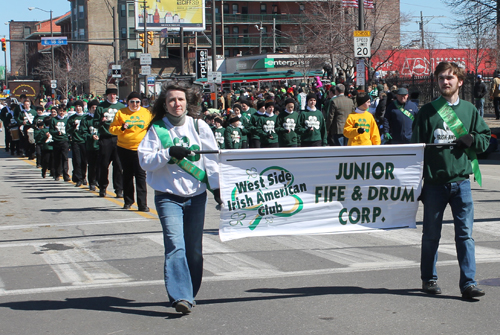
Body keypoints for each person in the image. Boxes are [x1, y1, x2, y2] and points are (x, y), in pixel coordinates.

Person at [138, 82, 222, 315]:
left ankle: (189, 292)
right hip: (168, 197)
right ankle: (180, 296)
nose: (177, 104)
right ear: (164, 104)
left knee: (194, 248)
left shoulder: (199, 125)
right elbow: (145, 161)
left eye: (181, 99)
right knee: (175, 245)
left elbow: (212, 160)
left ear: (188, 103)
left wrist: (216, 188)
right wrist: (167, 153)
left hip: (196, 196)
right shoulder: (156, 129)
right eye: (172, 100)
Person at [411, 62, 490, 299]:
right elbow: (415, 151)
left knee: (465, 235)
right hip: (435, 185)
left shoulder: (470, 110)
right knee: (431, 235)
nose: (445, 82)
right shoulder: (427, 112)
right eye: (441, 78)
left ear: (460, 81)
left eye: (450, 78)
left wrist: (472, 139)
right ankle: (429, 279)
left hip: (462, 184)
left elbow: (486, 140)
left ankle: (468, 283)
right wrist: (417, 185)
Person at [110, 92, 152, 211]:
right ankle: (128, 201)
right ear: (128, 102)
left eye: (137, 102)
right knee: (127, 175)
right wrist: (122, 128)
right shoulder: (121, 113)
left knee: (141, 176)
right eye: (132, 102)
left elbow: (152, 127)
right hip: (124, 148)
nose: (135, 104)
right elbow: (112, 129)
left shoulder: (146, 113)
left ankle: (142, 204)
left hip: (140, 148)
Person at [94, 84, 125, 198]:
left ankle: (119, 189)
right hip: (105, 138)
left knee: (118, 165)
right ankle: (102, 187)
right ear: (107, 95)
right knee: (103, 164)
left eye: (115, 94)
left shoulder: (121, 107)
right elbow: (95, 124)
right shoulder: (101, 107)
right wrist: (101, 121)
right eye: (111, 94)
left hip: (118, 138)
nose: (113, 96)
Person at [67, 101, 88, 187]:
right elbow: (68, 130)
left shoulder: (86, 117)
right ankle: (78, 178)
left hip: (84, 141)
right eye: (77, 106)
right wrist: (72, 127)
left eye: (80, 106)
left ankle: (84, 176)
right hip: (75, 141)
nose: (78, 108)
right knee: (77, 160)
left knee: (84, 161)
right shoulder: (72, 118)